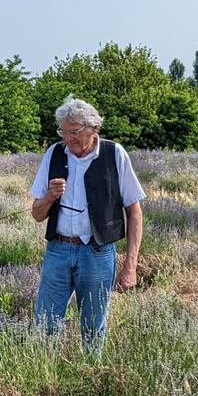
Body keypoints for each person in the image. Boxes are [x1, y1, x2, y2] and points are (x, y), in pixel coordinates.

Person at [30, 96, 145, 351]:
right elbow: (37, 215)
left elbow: (134, 212)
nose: (68, 139)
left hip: (97, 253)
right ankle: (43, 381)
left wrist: (130, 266)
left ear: (94, 129)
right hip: (57, 252)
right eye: (63, 132)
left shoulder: (114, 154)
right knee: (45, 326)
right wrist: (49, 196)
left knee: (93, 328)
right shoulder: (54, 153)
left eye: (74, 132)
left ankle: (90, 379)